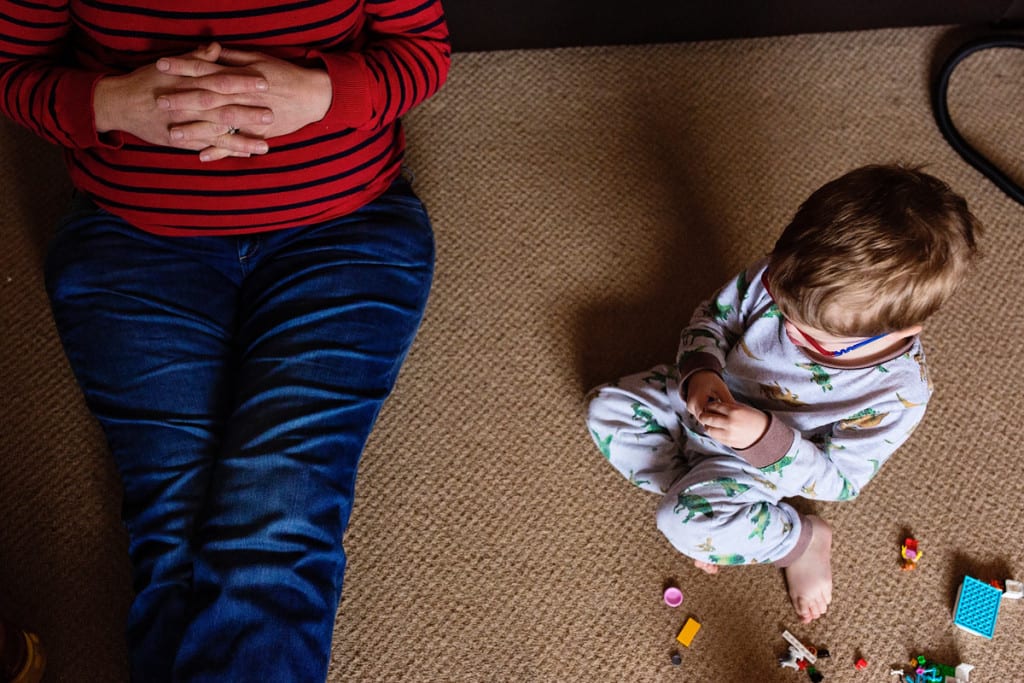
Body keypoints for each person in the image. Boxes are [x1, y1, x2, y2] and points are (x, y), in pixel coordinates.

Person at [0, 2, 449, 681]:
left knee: (272, 527)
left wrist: (323, 93)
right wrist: (113, 103)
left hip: (343, 233)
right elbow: (13, 70)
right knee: (174, 529)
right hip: (133, 243)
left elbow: (422, 52)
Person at [585, 165, 980, 624]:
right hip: (703, 402)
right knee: (606, 409)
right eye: (781, 303)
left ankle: (802, 540)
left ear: (900, 330)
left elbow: (839, 481)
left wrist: (764, 439)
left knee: (680, 521)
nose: (787, 327)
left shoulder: (900, 392)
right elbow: (714, 320)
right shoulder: (790, 275)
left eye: (816, 334)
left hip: (764, 465)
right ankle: (705, 500)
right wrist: (700, 372)